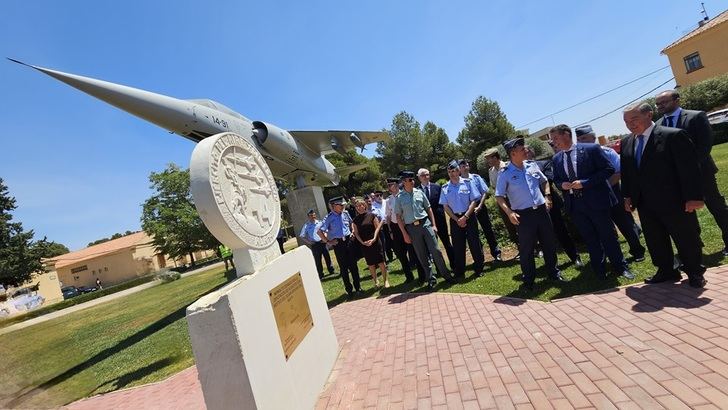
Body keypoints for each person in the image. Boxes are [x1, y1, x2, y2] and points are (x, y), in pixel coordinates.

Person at [621, 102, 706, 288]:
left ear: (649, 115)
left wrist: (694, 197)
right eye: (626, 121)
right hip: (644, 202)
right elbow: (628, 172)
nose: (630, 124)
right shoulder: (628, 141)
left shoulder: (673, 136)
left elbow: (690, 169)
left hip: (675, 200)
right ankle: (667, 270)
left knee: (685, 237)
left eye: (634, 119)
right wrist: (627, 196)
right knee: (655, 239)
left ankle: (694, 272)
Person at [550, 124, 634, 280]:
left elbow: (608, 169)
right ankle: (599, 269)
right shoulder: (557, 158)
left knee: (607, 236)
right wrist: (562, 185)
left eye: (555, 138)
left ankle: (620, 267)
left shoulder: (591, 149)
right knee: (590, 238)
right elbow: (556, 180)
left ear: (566, 135)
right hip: (575, 206)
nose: (554, 142)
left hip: (597, 202)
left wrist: (585, 183)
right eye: (552, 139)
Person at [655, 90, 728, 256]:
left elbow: (705, 144)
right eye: (658, 104)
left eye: (664, 102)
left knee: (717, 208)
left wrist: (689, 169)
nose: (660, 106)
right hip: (676, 179)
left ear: (677, 100)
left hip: (701, 173)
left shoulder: (696, 116)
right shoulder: (658, 125)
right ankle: (695, 247)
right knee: (686, 214)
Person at [495, 137, 565, 291]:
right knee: (527, 249)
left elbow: (544, 181)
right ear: (513, 153)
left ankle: (554, 273)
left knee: (549, 243)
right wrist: (509, 212)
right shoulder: (505, 173)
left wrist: (547, 196)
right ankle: (529, 281)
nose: (526, 150)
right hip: (523, 215)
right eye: (522, 149)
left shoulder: (532, 165)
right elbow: (499, 196)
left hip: (541, 211)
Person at [575, 125, 645, 261]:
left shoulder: (607, 152)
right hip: (594, 198)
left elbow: (618, 172)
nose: (581, 141)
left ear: (593, 138)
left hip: (613, 193)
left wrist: (602, 185)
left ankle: (637, 251)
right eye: (578, 139)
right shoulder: (579, 158)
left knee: (626, 224)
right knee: (606, 229)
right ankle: (616, 256)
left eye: (584, 138)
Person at [394, 170, 453, 289]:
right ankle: (431, 278)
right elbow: (398, 217)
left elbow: (429, 209)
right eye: (410, 180)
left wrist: (434, 225)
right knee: (422, 255)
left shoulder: (420, 192)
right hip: (412, 228)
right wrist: (405, 234)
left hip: (425, 224)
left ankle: (446, 275)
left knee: (436, 250)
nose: (413, 181)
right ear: (404, 182)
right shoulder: (399, 197)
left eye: (412, 179)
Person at [529, 147, 583, 267]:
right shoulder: (518, 170)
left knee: (561, 231)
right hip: (533, 206)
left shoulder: (543, 164)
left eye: (527, 152)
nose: (525, 154)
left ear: (532, 154)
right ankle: (551, 264)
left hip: (550, 203)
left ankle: (575, 257)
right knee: (542, 235)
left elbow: (550, 178)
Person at [439, 160, 485, 278]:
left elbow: (474, 201)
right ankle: (460, 272)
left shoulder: (468, 183)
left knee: (474, 243)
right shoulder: (445, 187)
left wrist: (465, 217)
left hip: (469, 217)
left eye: (454, 171)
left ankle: (479, 269)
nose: (452, 174)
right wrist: (456, 219)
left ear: (459, 171)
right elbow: (445, 206)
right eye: (449, 172)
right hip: (455, 220)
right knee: (458, 246)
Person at [318, 197, 362, 298]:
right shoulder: (329, 217)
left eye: (343, 205)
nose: (343, 206)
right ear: (334, 206)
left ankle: (358, 287)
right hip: (338, 245)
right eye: (340, 205)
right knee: (343, 268)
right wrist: (328, 241)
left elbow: (351, 224)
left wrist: (352, 232)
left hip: (349, 242)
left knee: (354, 266)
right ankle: (349, 290)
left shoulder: (345, 214)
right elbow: (320, 231)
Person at [458, 159, 502, 261]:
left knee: (488, 229)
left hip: (479, 206)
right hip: (467, 209)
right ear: (459, 169)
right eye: (463, 166)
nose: (465, 168)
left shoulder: (476, 178)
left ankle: (496, 253)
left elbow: (484, 192)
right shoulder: (458, 181)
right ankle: (480, 257)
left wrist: (480, 206)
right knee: (474, 233)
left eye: (466, 165)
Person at [418, 168, 455, 268]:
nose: (425, 177)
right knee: (433, 247)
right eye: (422, 175)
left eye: (427, 174)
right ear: (419, 177)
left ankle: (454, 265)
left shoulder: (437, 187)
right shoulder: (417, 191)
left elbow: (443, 203)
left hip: (440, 220)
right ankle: (440, 269)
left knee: (447, 243)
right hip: (426, 223)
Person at [484, 148, 519, 248]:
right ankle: (520, 247)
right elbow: (494, 186)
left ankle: (536, 247)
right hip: (502, 201)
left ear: (495, 157)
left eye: (489, 159)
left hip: (514, 199)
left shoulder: (508, 166)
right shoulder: (491, 171)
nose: (487, 161)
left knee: (521, 223)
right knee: (509, 225)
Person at [352, 198, 389, 288]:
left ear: (364, 206)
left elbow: (377, 228)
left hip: (375, 242)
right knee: (370, 264)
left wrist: (374, 238)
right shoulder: (355, 220)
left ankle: (386, 281)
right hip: (364, 244)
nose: (359, 207)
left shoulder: (372, 215)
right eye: (357, 206)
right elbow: (356, 233)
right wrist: (362, 242)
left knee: (381, 262)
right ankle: (376, 281)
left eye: (361, 205)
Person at [384, 178, 416, 282]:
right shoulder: (388, 200)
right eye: (388, 185)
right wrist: (390, 230)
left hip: (407, 224)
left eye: (391, 184)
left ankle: (422, 273)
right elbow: (388, 216)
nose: (389, 187)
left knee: (413, 249)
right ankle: (409, 276)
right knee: (400, 253)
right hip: (395, 227)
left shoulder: (404, 195)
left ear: (397, 185)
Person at [299, 209, 335, 279]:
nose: (313, 216)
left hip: (322, 242)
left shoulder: (320, 223)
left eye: (314, 215)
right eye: (311, 215)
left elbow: (326, 231)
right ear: (308, 217)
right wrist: (309, 242)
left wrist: (325, 238)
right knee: (318, 260)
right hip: (315, 244)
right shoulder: (306, 225)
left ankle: (331, 270)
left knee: (327, 257)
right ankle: (321, 274)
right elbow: (302, 236)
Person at [370, 190, 394, 263]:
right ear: (375, 197)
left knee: (393, 239)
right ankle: (388, 258)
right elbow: (375, 214)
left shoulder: (386, 201)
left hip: (390, 223)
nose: (379, 197)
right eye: (377, 195)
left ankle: (397, 253)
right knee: (385, 243)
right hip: (381, 226)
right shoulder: (373, 205)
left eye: (380, 195)